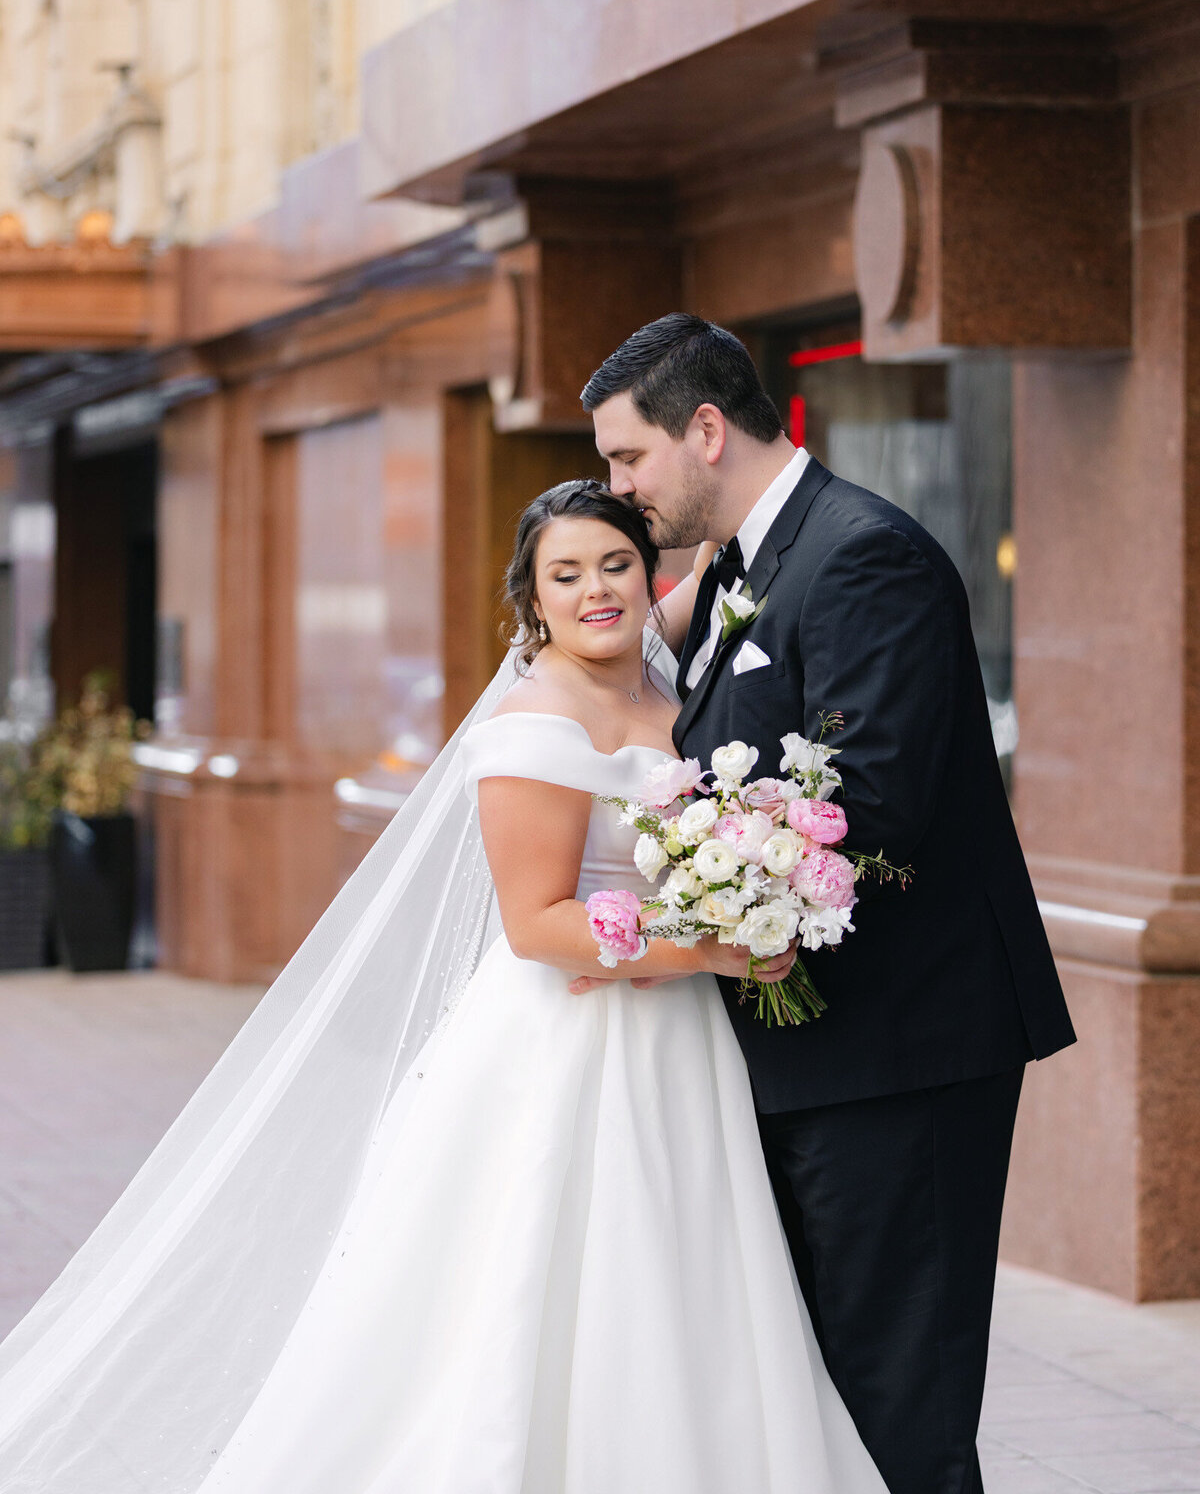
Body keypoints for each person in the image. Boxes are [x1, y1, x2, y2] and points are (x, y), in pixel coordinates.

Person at [0, 478, 887, 1494]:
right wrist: (719, 947)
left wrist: (746, 889)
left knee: (683, 1278)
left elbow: (722, 574)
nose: (597, 589)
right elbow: (538, 925)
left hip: (676, 1035)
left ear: (651, 577)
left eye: (615, 565)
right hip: (567, 1044)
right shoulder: (532, 720)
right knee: (543, 1285)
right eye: (567, 574)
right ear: (533, 597)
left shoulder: (665, 678)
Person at [582, 312, 1077, 1494]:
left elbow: (868, 803)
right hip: (809, 1050)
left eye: (628, 458)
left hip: (897, 1052)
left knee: (896, 1404)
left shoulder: (863, 553)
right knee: (822, 1402)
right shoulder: (738, 572)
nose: (617, 489)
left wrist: (683, 913)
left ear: (706, 431)